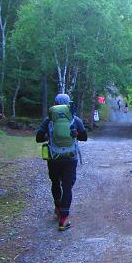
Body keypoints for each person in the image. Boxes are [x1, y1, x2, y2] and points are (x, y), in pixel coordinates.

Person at [36, 94, 87, 231]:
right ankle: (63, 219)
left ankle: (58, 208)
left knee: (55, 183)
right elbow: (84, 137)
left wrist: (48, 135)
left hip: (53, 158)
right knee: (67, 186)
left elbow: (38, 138)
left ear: (55, 104)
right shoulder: (75, 119)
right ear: (67, 105)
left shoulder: (49, 120)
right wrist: (75, 134)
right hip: (70, 158)